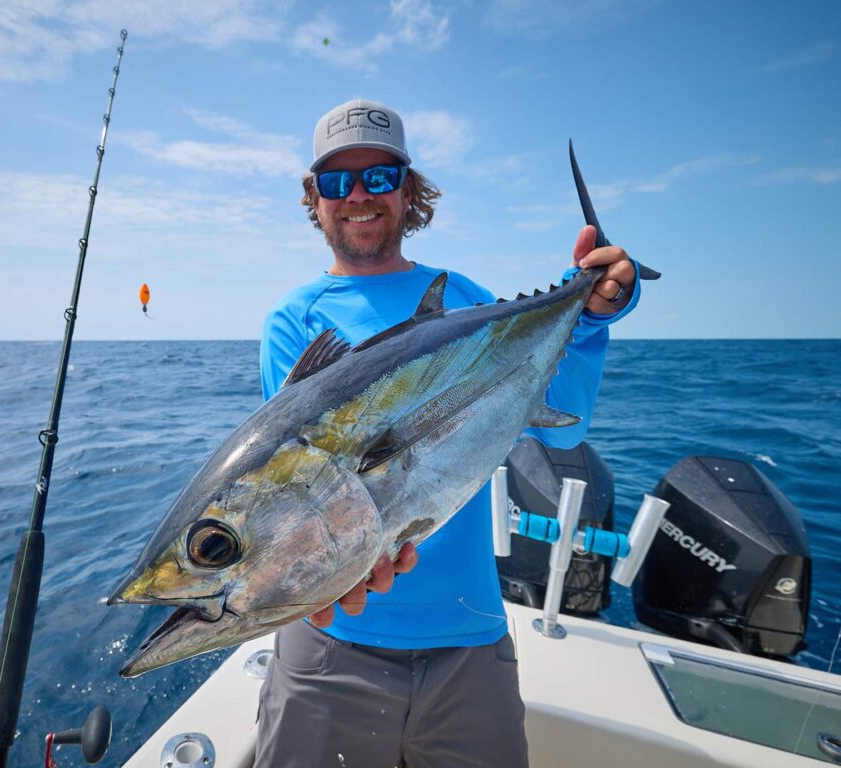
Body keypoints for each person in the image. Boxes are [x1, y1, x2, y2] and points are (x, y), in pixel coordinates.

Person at [255, 99, 640, 768]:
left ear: (409, 193)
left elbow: (562, 427)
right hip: (332, 639)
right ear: (314, 199)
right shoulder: (295, 323)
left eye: (378, 178)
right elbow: (297, 493)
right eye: (336, 182)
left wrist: (594, 312)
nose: (358, 197)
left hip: (469, 637)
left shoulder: (464, 299)